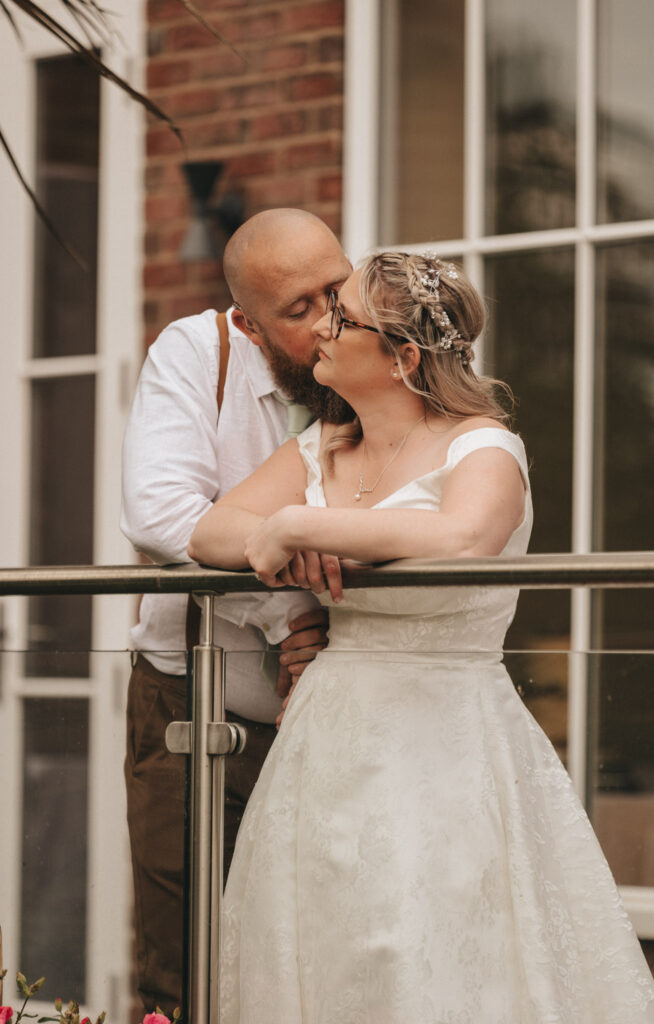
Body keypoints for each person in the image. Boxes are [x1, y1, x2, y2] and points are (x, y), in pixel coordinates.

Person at [189, 252, 654, 1024]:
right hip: (328, 744)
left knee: (436, 948)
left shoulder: (482, 446)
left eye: (341, 316)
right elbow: (209, 530)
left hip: (451, 747)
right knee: (325, 944)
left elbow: (467, 536)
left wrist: (302, 525)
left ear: (402, 357)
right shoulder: (321, 447)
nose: (321, 327)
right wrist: (285, 529)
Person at [120, 208, 353, 1014]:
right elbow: (159, 515)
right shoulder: (195, 353)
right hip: (191, 710)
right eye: (299, 310)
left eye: (338, 287)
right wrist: (287, 611)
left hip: (335, 723)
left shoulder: (376, 358)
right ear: (248, 325)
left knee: (309, 968)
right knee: (185, 967)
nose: (329, 320)